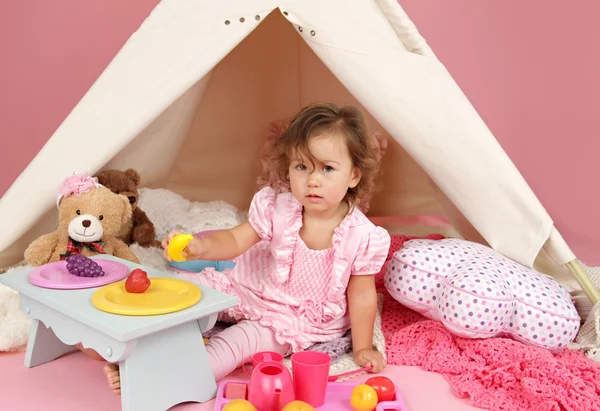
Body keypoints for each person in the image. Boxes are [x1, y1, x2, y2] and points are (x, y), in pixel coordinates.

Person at [104, 102, 391, 394]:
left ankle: (160, 378)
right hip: (254, 283)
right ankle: (134, 343)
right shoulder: (278, 205)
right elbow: (236, 240)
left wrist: (363, 346)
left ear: (353, 175)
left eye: (328, 169)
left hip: (294, 318)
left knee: (239, 341)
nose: (313, 180)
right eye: (302, 166)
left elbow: (362, 293)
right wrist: (201, 247)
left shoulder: (362, 235)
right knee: (190, 289)